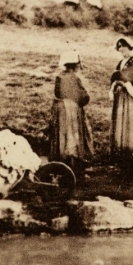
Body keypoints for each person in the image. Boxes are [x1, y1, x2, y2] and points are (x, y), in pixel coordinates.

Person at [49, 49, 94, 180]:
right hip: (72, 111)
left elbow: (57, 93)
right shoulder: (75, 78)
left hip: (60, 110)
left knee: (63, 137)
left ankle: (61, 165)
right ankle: (75, 169)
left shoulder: (60, 77)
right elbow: (83, 97)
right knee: (74, 137)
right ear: (75, 65)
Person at [109, 37, 133, 180]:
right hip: (121, 100)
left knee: (132, 130)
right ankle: (123, 166)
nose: (121, 50)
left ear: (129, 47)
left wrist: (126, 82)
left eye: (123, 47)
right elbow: (115, 78)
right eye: (119, 48)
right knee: (122, 130)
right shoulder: (121, 62)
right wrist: (114, 84)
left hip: (132, 100)